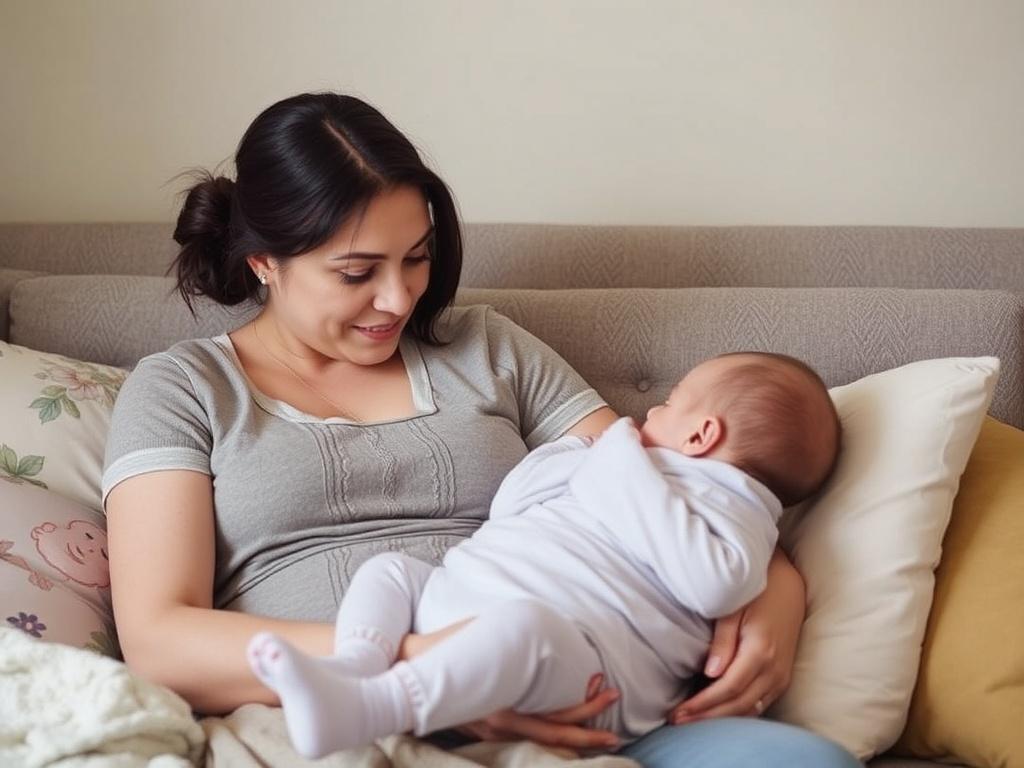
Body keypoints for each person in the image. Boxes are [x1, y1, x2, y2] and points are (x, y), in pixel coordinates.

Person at [102, 92, 862, 767]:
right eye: (357, 272)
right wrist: (434, 672)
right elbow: (160, 638)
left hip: (580, 699)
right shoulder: (181, 389)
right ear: (265, 261)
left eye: (418, 258)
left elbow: (660, 478)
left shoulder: (487, 348)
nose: (398, 299)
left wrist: (779, 597)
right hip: (333, 716)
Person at [245, 352, 842, 758]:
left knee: (524, 628)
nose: (650, 412)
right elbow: (515, 508)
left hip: (581, 669)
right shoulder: (622, 464)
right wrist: (592, 456)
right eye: (357, 271)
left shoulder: (729, 513)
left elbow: (715, 585)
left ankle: (376, 706)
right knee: (389, 571)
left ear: (701, 435)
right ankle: (352, 668)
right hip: (471, 603)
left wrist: (617, 455)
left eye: (671, 402)